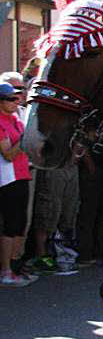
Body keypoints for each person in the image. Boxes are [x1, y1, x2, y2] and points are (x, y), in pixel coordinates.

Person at [0, 83, 34, 287]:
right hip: (7, 178)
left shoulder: (16, 120)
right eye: (11, 99)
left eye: (17, 98)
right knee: (9, 226)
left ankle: (15, 267)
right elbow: (8, 154)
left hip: (23, 175)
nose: (16, 102)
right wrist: (25, 139)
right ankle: (5, 270)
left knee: (21, 225)